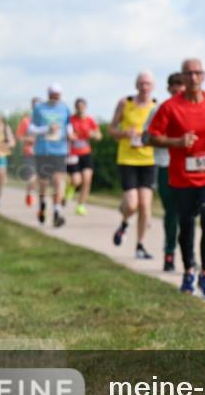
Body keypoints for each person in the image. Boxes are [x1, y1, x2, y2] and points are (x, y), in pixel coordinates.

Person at [147, 58, 205, 299]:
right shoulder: (169, 107)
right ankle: (187, 271)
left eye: (198, 73)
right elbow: (151, 137)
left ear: (203, 76)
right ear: (182, 78)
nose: (193, 78)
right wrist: (177, 142)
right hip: (182, 177)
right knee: (186, 226)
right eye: (189, 74)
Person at [109, 72, 157, 259]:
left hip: (148, 159)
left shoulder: (156, 107)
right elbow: (111, 129)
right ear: (136, 85)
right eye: (141, 83)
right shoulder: (125, 103)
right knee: (132, 204)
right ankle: (124, 223)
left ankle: (140, 245)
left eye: (148, 84)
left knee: (145, 204)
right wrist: (123, 133)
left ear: (152, 87)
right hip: (128, 159)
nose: (144, 87)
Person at [143, 72, 188, 272]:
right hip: (165, 164)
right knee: (172, 212)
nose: (179, 89)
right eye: (175, 86)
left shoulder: (194, 109)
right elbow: (147, 137)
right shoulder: (160, 110)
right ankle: (169, 252)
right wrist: (171, 141)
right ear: (169, 88)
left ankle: (189, 256)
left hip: (190, 166)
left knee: (188, 214)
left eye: (182, 85)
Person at [30, 84, 73, 228]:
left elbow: (68, 126)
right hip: (43, 150)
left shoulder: (65, 108)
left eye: (58, 95)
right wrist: (46, 129)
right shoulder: (39, 108)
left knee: (58, 180)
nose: (56, 97)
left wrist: (70, 134)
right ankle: (42, 205)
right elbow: (32, 128)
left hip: (60, 150)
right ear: (48, 94)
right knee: (44, 183)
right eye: (53, 94)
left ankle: (56, 211)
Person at [67, 98, 102, 215]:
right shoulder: (70, 120)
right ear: (75, 107)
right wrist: (70, 136)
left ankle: (81, 205)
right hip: (72, 154)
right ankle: (71, 188)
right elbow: (65, 134)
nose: (80, 108)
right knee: (77, 181)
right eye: (78, 106)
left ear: (85, 107)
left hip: (86, 153)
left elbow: (99, 136)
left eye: (82, 106)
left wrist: (93, 134)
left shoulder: (90, 120)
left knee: (87, 180)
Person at [16, 98, 41, 207]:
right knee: (31, 176)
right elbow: (19, 136)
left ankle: (30, 192)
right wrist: (29, 140)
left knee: (40, 177)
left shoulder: (45, 121)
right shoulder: (26, 121)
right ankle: (30, 193)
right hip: (29, 152)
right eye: (35, 106)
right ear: (32, 107)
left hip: (43, 153)